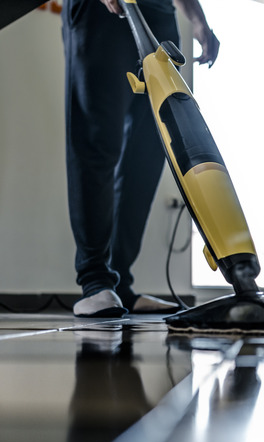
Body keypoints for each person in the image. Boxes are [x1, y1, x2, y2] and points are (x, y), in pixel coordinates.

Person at [63, 0, 220, 317]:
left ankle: (120, 282)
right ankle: (95, 281)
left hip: (158, 13)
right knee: (97, 142)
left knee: (148, 153)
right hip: (100, 13)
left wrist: (198, 20)